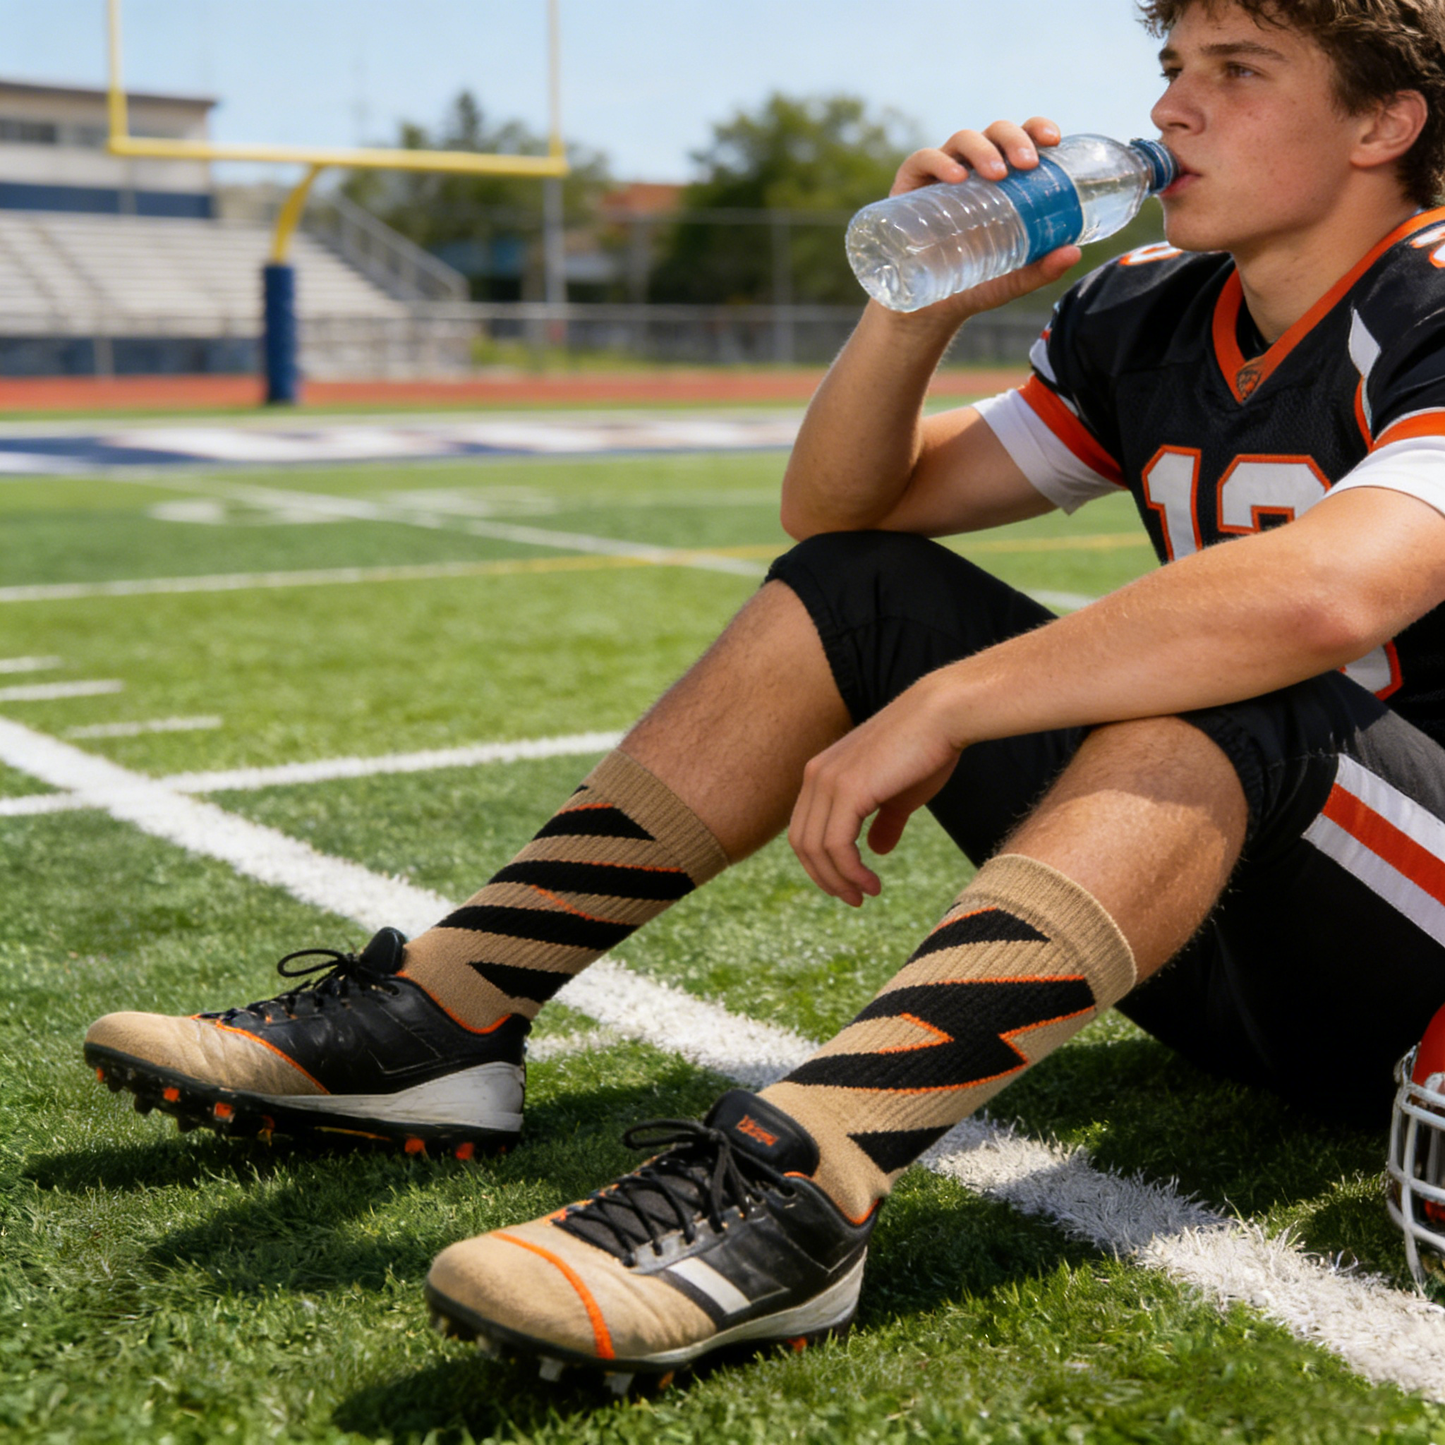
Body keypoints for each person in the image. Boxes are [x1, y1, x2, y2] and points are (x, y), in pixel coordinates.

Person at [84, 0, 1445, 1386]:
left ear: (1383, 124)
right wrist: (916, 307)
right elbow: (845, 504)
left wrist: (952, 704)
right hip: (1217, 920)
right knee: (861, 583)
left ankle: (809, 1184)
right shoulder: (1150, 310)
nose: (1171, 110)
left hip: (1413, 970)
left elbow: (1323, 594)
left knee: (1232, 679)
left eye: (1237, 73)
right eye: (1172, 68)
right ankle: (447, 1014)